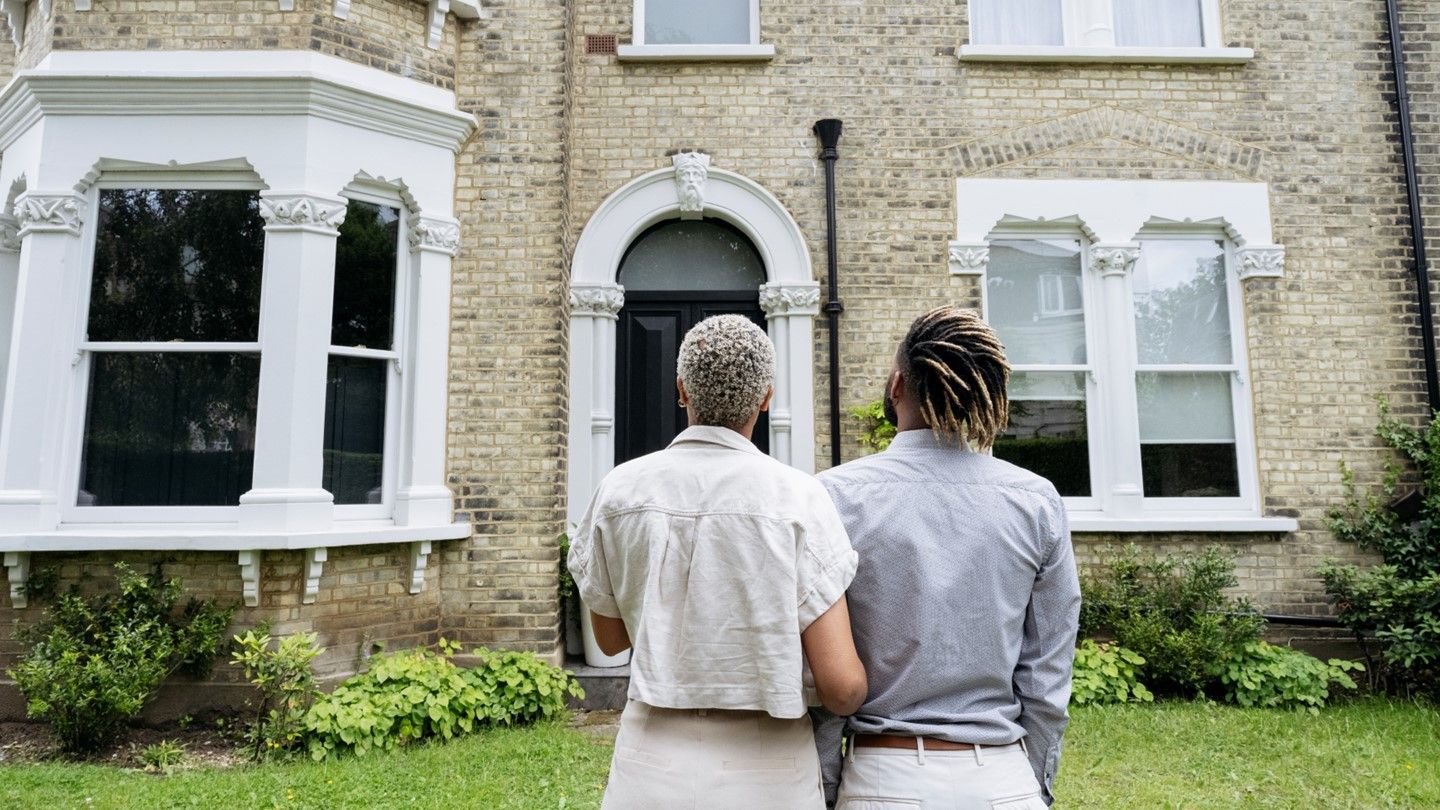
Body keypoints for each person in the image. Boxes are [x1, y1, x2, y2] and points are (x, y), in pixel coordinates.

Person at [568, 314, 868, 810]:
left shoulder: (620, 489)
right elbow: (840, 687)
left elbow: (611, 639)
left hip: (651, 758)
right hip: (770, 767)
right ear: (766, 398)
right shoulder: (800, 498)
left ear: (682, 389)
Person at [814, 305, 1081, 809]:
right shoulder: (1036, 501)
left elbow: (822, 680)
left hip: (881, 778)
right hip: (1002, 782)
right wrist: (1034, 788)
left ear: (896, 387)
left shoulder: (834, 498)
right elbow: (1047, 678)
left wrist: (827, 788)